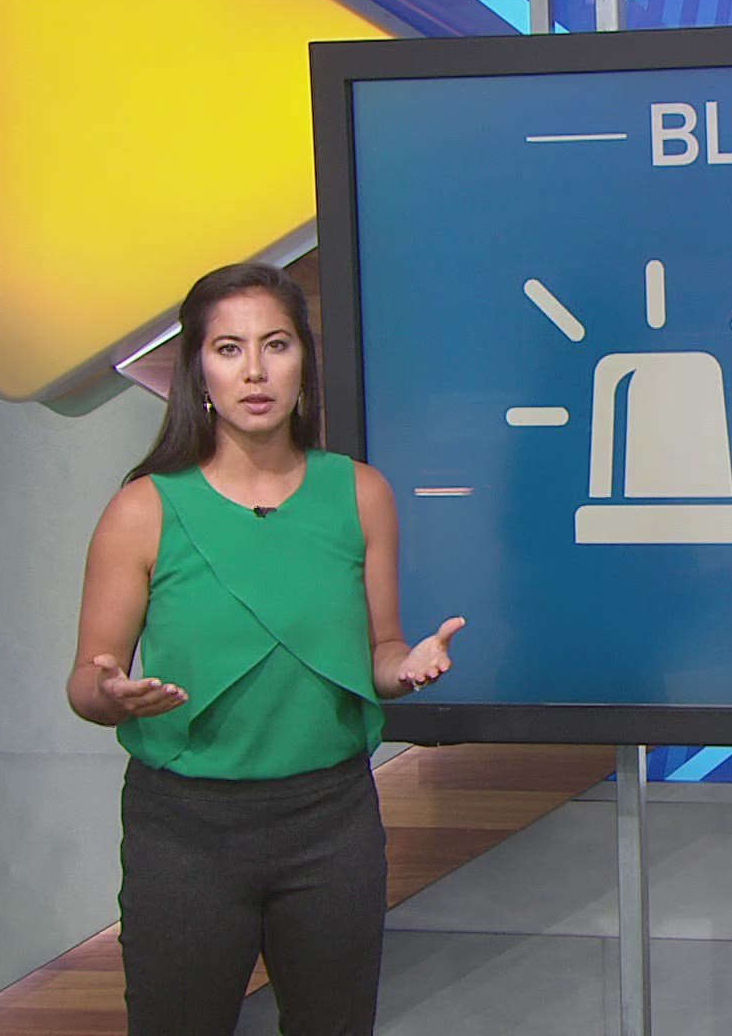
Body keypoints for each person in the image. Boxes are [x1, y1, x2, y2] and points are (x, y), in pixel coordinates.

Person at [65, 262, 463, 1033]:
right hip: (184, 831)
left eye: (275, 345)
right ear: (199, 372)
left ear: (304, 362)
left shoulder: (360, 493)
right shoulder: (144, 509)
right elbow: (86, 679)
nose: (254, 370)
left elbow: (379, 654)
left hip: (332, 823)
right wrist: (108, 693)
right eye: (229, 348)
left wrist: (407, 668)